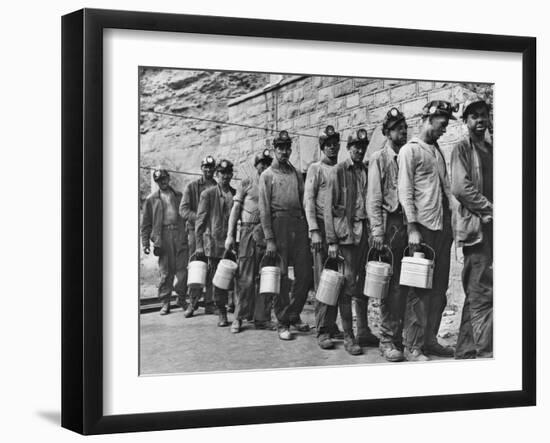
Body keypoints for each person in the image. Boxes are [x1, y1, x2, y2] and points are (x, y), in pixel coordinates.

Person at [398, 100, 456, 361]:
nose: (444, 130)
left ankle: (430, 339)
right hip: (422, 229)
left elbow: (446, 189)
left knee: (439, 289)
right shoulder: (410, 151)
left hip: (442, 228)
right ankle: (413, 346)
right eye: (442, 125)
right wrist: (412, 228)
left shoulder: (437, 150)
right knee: (419, 291)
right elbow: (405, 191)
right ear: (429, 119)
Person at [324, 128, 378, 356]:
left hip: (364, 234)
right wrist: (332, 240)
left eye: (362, 147)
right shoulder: (338, 171)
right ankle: (348, 334)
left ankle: (363, 330)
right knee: (346, 285)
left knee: (363, 283)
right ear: (348, 148)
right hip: (346, 237)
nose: (359, 150)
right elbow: (328, 208)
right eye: (355, 146)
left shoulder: (366, 170)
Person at [259, 130, 313, 341]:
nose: (284, 151)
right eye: (280, 148)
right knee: (281, 277)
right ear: (274, 149)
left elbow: (304, 201)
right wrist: (270, 238)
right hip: (278, 224)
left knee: (305, 274)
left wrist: (308, 229)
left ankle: (293, 314)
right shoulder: (267, 176)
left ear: (291, 149)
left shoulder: (296, 173)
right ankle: (283, 321)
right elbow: (264, 209)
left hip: (298, 225)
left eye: (287, 147)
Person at [451, 98, 493, 359]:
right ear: (465, 121)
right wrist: (489, 209)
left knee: (478, 291)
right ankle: (486, 353)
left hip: (492, 229)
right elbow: (460, 187)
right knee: (481, 293)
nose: (480, 121)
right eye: (474, 117)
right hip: (476, 230)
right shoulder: (461, 149)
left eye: (483, 116)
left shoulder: (490, 149)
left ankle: (465, 350)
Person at [367, 108, 409, 362]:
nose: (402, 131)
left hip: (406, 225)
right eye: (396, 128)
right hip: (389, 225)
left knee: (404, 285)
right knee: (389, 285)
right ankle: (386, 339)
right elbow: (373, 197)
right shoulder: (379, 158)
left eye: (403, 126)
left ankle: (400, 336)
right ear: (387, 132)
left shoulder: (406, 155)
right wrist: (377, 232)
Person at [225, 149, 274, 333]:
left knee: (265, 276)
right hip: (247, 231)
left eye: (268, 163)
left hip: (266, 232)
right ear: (256, 165)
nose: (264, 166)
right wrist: (230, 235)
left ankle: (262, 318)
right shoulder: (247, 182)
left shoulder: (272, 182)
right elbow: (235, 211)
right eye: (261, 163)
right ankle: (239, 317)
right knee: (245, 277)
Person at [304, 125, 343, 349]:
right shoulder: (315, 169)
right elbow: (309, 200)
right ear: (322, 147)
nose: (332, 147)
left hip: (338, 228)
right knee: (323, 280)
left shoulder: (340, 168)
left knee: (338, 279)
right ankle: (321, 329)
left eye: (335, 143)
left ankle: (332, 323)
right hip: (321, 228)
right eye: (328, 144)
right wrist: (314, 230)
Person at [194, 160, 236, 327]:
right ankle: (222, 313)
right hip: (215, 243)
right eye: (222, 173)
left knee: (236, 278)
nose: (225, 176)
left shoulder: (235, 193)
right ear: (217, 175)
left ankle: (235, 308)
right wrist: (199, 245)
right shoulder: (208, 194)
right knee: (219, 279)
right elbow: (200, 221)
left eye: (228, 173)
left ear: (232, 175)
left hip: (233, 242)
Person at [140, 169, 188, 315]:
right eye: (160, 180)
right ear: (157, 182)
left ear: (169, 178)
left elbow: (186, 215)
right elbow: (146, 224)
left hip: (179, 235)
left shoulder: (179, 196)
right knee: (166, 272)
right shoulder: (151, 199)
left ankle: (181, 298)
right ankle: (165, 302)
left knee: (182, 269)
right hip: (163, 237)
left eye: (165, 179)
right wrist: (146, 243)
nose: (163, 182)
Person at [179, 155, 217, 315]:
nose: (208, 170)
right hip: (196, 232)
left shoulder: (217, 186)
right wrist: (202, 218)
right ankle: (192, 303)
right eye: (205, 167)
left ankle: (209, 303)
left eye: (211, 167)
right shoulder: (192, 187)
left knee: (212, 266)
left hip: (213, 233)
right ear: (201, 168)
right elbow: (183, 210)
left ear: (214, 169)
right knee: (196, 266)